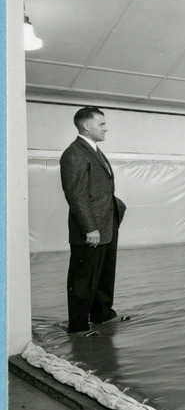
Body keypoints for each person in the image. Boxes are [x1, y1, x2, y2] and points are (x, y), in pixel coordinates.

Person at [60, 107, 129, 335]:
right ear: (87, 126)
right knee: (83, 279)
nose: (105, 128)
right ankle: (78, 327)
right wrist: (90, 227)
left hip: (107, 224)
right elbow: (76, 194)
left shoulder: (94, 151)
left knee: (104, 274)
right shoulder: (74, 154)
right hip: (91, 229)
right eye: (101, 124)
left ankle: (102, 316)